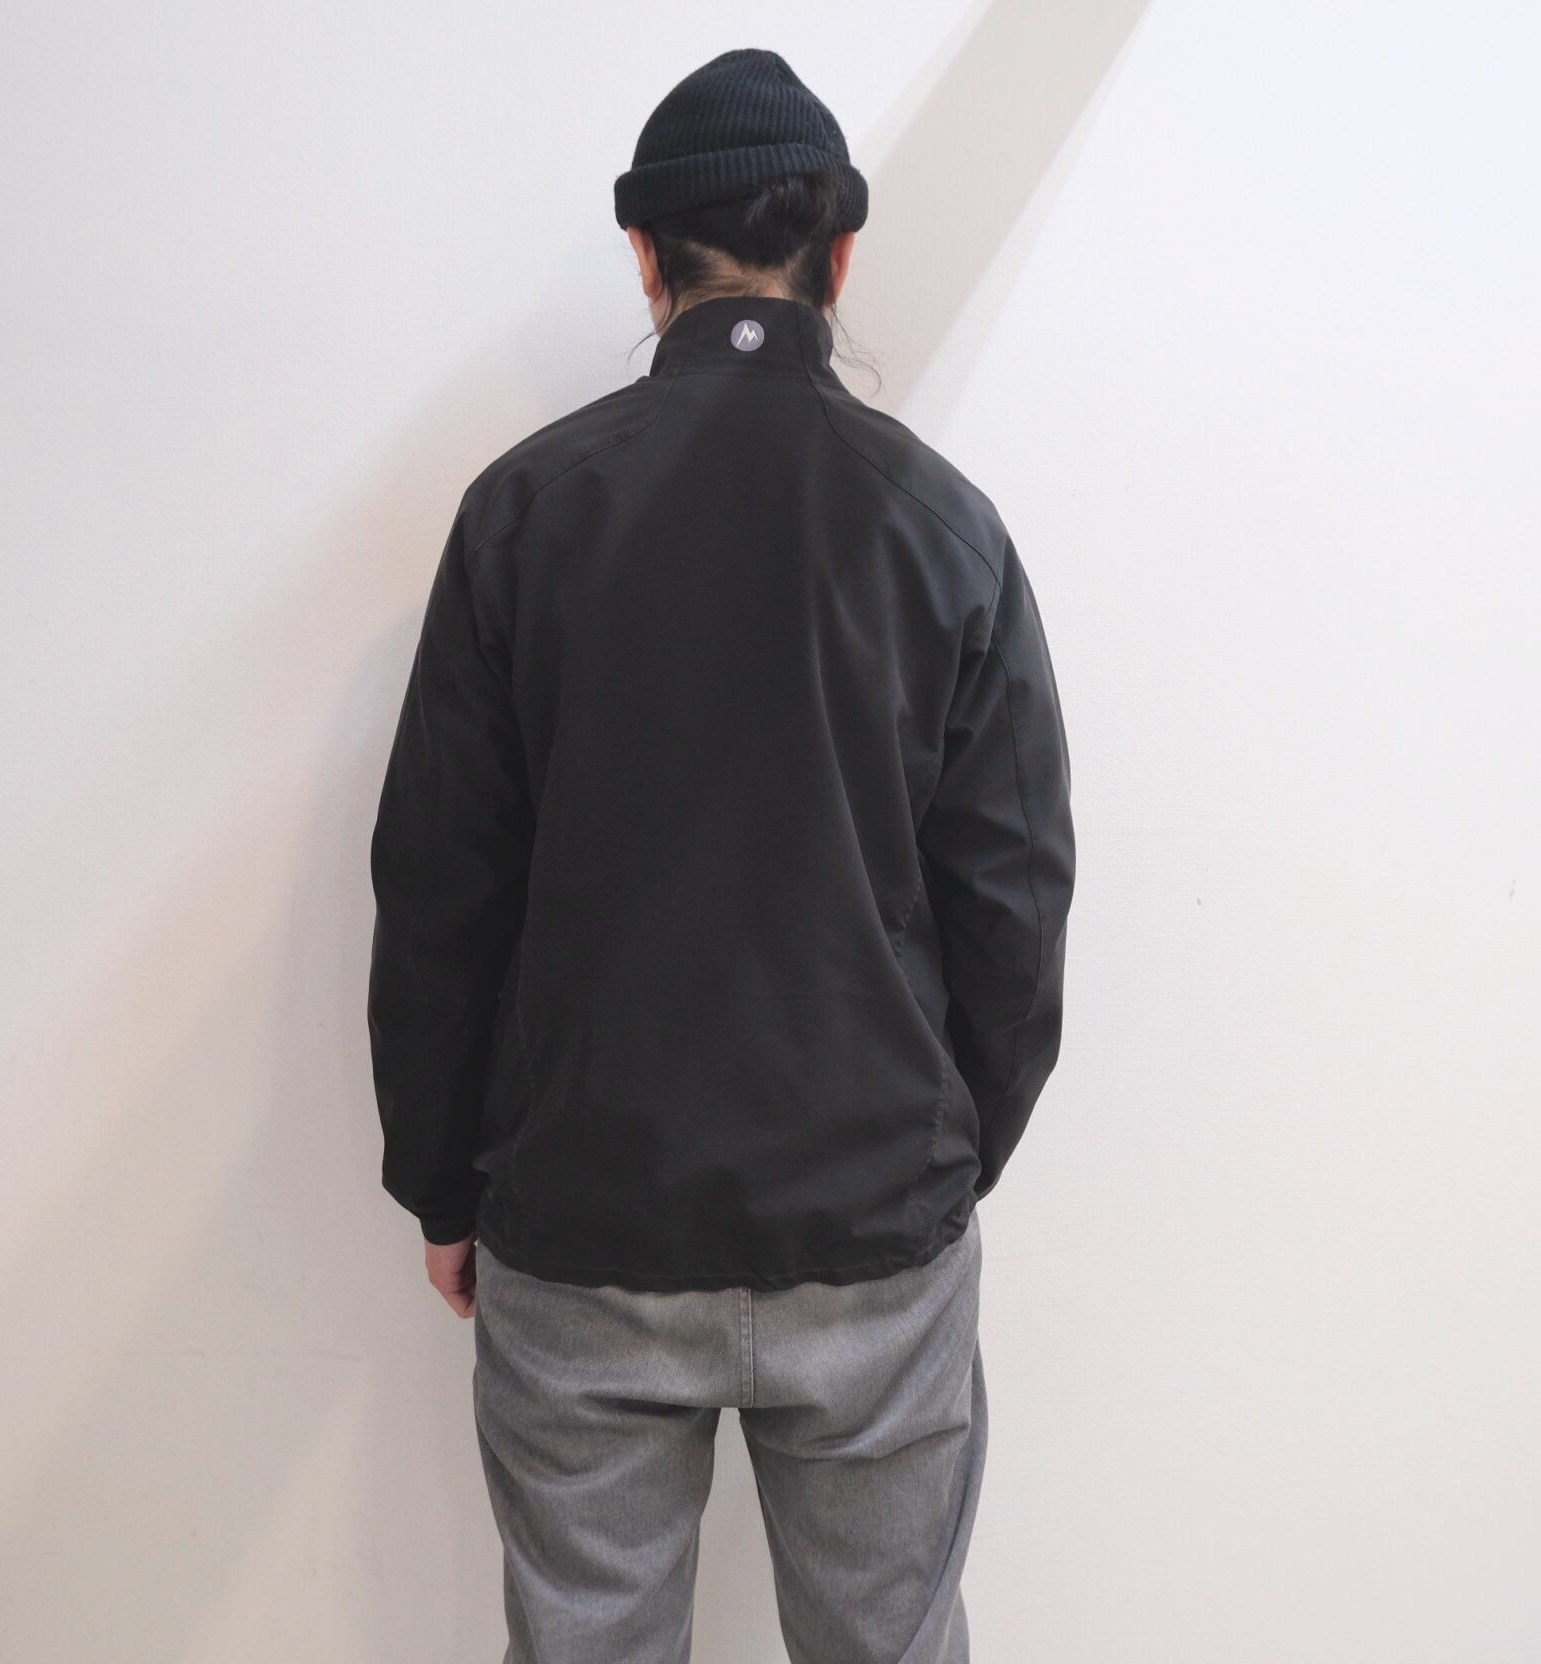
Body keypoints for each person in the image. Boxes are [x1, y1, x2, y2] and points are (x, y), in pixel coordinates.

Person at [367, 45, 1077, 1664]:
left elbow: (441, 888)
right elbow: (1017, 901)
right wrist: (940, 1159)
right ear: (840, 258)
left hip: (585, 1225)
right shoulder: (942, 527)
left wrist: (439, 1178)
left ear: (647, 257)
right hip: (872, 1229)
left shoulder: (524, 515)